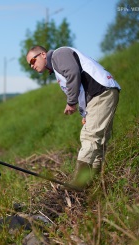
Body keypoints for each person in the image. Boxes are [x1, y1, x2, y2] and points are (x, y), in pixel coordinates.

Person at [26, 46, 121, 191]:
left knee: (89, 137)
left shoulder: (59, 54)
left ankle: (78, 185)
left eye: (33, 60)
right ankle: (94, 181)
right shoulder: (57, 66)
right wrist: (85, 114)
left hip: (100, 93)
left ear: (43, 54)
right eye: (29, 64)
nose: (32, 66)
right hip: (100, 94)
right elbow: (81, 86)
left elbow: (73, 74)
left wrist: (71, 102)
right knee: (99, 141)